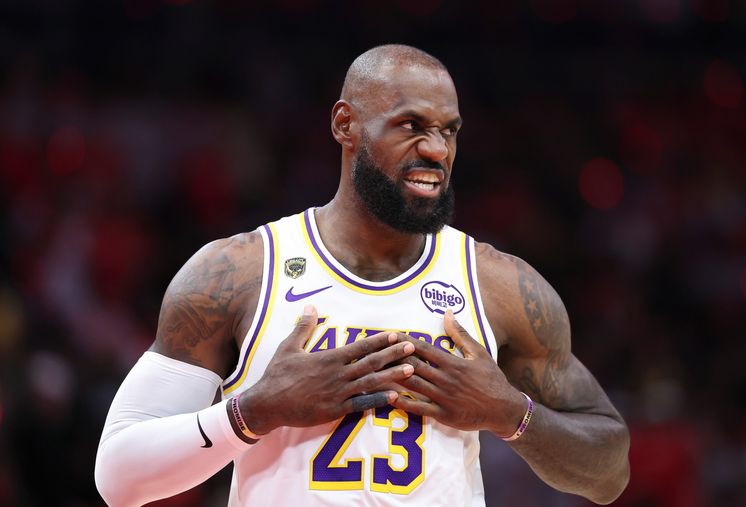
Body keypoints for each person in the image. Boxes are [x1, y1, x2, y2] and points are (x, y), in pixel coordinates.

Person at [95, 44, 630, 506]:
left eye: (449, 131)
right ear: (345, 124)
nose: (437, 150)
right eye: (411, 125)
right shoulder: (239, 272)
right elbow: (118, 478)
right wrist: (252, 412)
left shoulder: (499, 286)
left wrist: (510, 412)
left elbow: (609, 471)